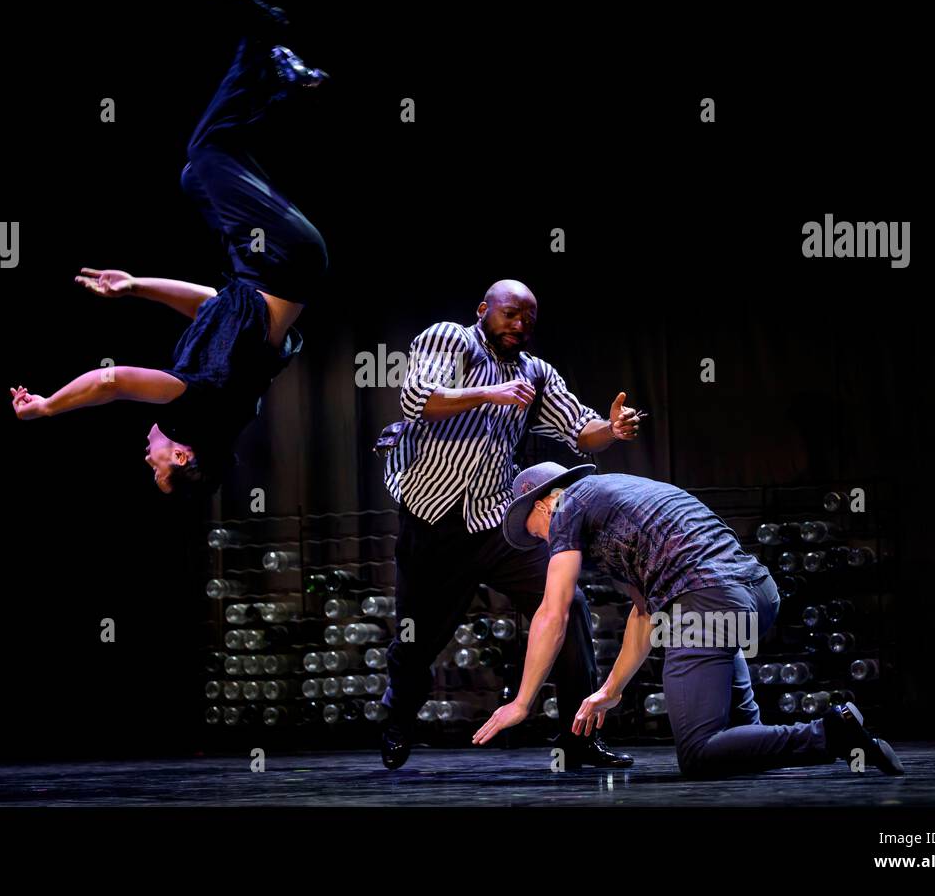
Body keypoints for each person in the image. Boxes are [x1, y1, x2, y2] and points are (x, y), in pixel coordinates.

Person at [9, 0, 329, 499]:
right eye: (157, 469)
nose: (147, 459)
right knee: (204, 152)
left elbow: (214, 306)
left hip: (276, 263)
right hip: (278, 259)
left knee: (194, 177)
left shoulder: (226, 396)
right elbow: (112, 383)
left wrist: (135, 286)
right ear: (182, 455)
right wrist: (47, 406)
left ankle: (284, 82)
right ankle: (262, 38)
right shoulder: (193, 402)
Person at [472, 462, 905, 778]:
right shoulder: (620, 496)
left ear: (545, 504)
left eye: (533, 531)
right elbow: (644, 615)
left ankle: (831, 732)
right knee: (737, 744)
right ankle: (814, 737)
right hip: (755, 596)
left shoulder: (568, 507)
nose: (540, 541)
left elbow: (553, 611)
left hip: (705, 602)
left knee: (698, 753)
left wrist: (522, 702)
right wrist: (610, 689)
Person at [378, 279, 643, 769]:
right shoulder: (450, 339)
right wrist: (490, 393)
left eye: (528, 320)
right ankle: (398, 717)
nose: (519, 325)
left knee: (568, 605)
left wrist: (612, 428)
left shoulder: (534, 373)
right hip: (431, 522)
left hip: (495, 521)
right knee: (417, 638)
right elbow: (418, 401)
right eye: (509, 314)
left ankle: (577, 737)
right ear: (484, 310)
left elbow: (579, 429)